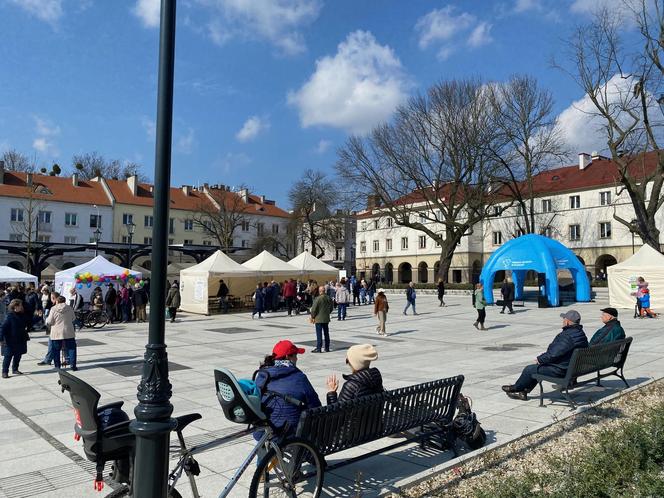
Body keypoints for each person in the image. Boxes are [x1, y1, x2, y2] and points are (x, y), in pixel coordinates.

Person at [502, 310, 588, 400]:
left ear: (567, 321)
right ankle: (523, 392)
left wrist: (540, 359)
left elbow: (553, 354)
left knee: (530, 369)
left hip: (561, 370)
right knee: (536, 368)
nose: (562, 321)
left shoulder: (567, 336)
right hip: (572, 368)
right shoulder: (580, 334)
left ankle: (516, 388)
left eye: (564, 319)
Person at [253, 340, 321, 438]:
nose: (297, 358)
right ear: (287, 357)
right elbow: (315, 406)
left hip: (262, 434)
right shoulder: (299, 377)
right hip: (289, 436)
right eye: (295, 355)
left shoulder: (262, 374)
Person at [46, 295, 77, 371]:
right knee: (71, 349)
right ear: (65, 301)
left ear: (57, 301)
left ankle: (57, 366)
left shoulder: (53, 309)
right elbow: (73, 318)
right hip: (68, 331)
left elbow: (50, 321)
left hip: (57, 332)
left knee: (56, 350)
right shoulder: (69, 308)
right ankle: (73, 365)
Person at [0, 299, 28, 378]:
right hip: (10, 340)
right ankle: (4, 372)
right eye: (20, 305)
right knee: (8, 356)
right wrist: (1, 339)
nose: (22, 307)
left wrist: (37, 317)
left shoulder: (22, 314)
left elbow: (29, 322)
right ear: (15, 306)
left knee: (18, 355)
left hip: (20, 339)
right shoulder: (9, 316)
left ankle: (15, 369)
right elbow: (3, 328)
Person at [310, 285, 333, 353]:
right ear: (324, 291)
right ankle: (327, 347)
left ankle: (319, 348)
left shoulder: (318, 299)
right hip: (326, 318)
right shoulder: (329, 298)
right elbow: (331, 308)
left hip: (318, 319)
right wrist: (327, 313)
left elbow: (314, 309)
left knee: (319, 334)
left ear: (320, 291)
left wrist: (312, 316)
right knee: (326, 333)